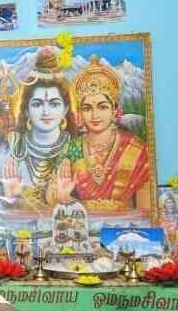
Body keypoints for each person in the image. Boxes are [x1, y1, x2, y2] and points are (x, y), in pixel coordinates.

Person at [54, 55, 151, 213]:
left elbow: (146, 211)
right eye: (87, 108)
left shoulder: (139, 151)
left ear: (115, 111)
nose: (95, 115)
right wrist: (62, 196)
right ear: (79, 114)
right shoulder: (71, 149)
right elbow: (53, 195)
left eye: (102, 107)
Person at [0, 48, 77, 213]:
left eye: (54, 104)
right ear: (26, 110)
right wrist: (10, 200)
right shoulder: (8, 152)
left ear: (65, 109)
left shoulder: (77, 151)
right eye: (37, 104)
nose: (46, 112)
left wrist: (65, 199)